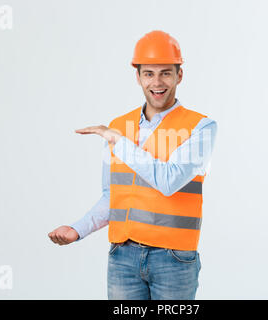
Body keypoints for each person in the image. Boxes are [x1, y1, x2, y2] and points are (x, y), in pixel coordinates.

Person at [48, 30, 217, 300]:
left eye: (166, 72)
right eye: (149, 73)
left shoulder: (201, 128)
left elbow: (169, 181)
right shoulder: (118, 127)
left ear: (179, 75)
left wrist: (120, 142)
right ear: (138, 77)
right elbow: (112, 196)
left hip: (173, 260)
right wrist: (78, 229)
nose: (157, 82)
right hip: (122, 258)